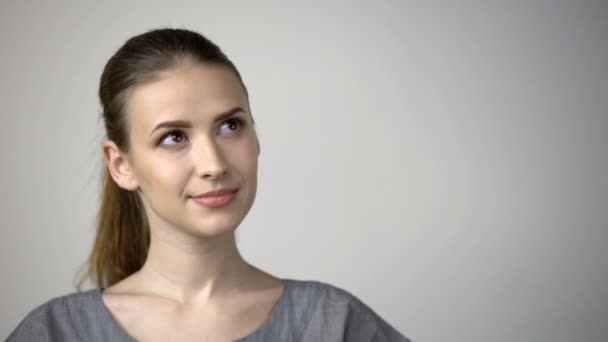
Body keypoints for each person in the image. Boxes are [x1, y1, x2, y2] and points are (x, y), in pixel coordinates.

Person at [7, 28, 410, 342]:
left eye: (230, 126)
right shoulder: (54, 331)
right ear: (121, 164)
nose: (213, 164)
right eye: (174, 137)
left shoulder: (334, 323)